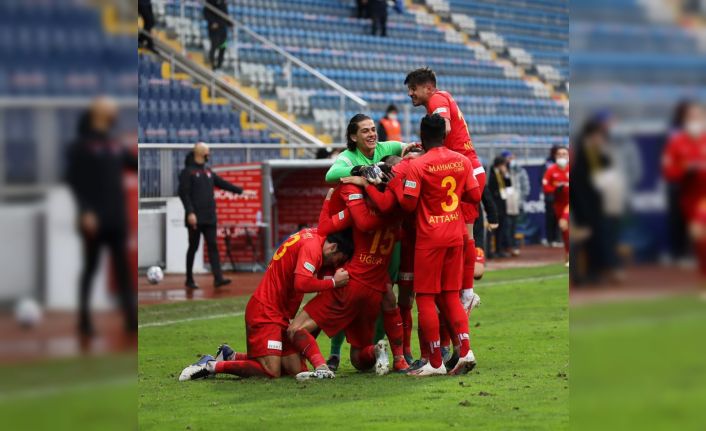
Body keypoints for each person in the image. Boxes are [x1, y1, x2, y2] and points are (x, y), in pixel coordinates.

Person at [178, 229, 354, 380]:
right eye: (339, 259)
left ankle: (230, 355)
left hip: (281, 314)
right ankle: (210, 365)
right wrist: (333, 282)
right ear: (333, 247)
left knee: (295, 370)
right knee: (271, 370)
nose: (336, 264)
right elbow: (301, 283)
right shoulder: (312, 247)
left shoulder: (314, 236)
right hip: (266, 311)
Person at [287, 174, 409, 378]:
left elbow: (324, 228)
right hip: (374, 292)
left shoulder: (359, 213)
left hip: (350, 285)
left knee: (295, 330)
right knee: (359, 359)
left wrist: (328, 202)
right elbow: (399, 235)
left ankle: (321, 367)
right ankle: (385, 353)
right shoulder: (396, 217)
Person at [398, 114, 481, 376]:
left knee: (425, 297)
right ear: (444, 135)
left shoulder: (418, 165)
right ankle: (465, 351)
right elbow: (475, 195)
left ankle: (435, 363)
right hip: (456, 235)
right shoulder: (462, 160)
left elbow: (409, 204)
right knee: (451, 295)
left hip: (429, 239)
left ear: (422, 137)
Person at [404, 67, 485, 316]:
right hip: (467, 169)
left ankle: (466, 293)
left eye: (413, 89)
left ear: (428, 88)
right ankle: (459, 291)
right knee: (459, 233)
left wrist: (425, 154)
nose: (410, 94)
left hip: (464, 170)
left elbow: (445, 128)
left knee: (465, 235)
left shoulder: (437, 99)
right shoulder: (444, 97)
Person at [66, 96, 138, 337]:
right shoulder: (81, 145)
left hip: (116, 216)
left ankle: (131, 318)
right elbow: (74, 182)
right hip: (94, 218)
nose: (115, 112)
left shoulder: (114, 143)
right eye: (111, 108)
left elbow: (133, 163)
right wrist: (85, 211)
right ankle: (84, 319)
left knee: (122, 269)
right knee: (91, 267)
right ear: (98, 112)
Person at [178, 142, 252, 290]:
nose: (209, 154)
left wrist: (241, 191)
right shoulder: (188, 172)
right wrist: (190, 212)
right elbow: (184, 194)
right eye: (207, 152)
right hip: (195, 217)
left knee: (213, 245)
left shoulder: (208, 171)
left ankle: (218, 278)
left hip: (209, 216)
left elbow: (223, 184)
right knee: (193, 247)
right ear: (200, 153)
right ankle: (189, 279)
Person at [325, 114, 410, 183]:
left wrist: (413, 148)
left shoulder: (387, 147)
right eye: (365, 131)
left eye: (373, 130)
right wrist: (361, 169)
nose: (372, 134)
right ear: (354, 137)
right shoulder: (347, 156)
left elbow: (411, 148)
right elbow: (330, 176)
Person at [543, 147, 570, 264]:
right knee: (565, 230)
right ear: (555, 156)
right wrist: (555, 189)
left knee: (565, 223)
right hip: (558, 204)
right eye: (559, 154)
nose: (561, 156)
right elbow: (545, 187)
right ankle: (568, 253)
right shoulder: (550, 170)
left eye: (564, 154)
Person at [502, 150, 530, 256]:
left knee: (513, 226)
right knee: (507, 226)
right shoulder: (503, 171)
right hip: (505, 204)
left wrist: (520, 201)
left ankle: (512, 246)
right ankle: (507, 246)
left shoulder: (520, 171)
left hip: (516, 203)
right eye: (509, 158)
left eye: (512, 158)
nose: (511, 160)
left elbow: (525, 187)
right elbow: (506, 187)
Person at [487, 156, 511, 258]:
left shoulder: (502, 174)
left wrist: (506, 174)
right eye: (503, 165)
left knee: (501, 228)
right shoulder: (491, 174)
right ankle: (489, 251)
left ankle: (499, 250)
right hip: (494, 205)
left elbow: (509, 187)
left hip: (502, 204)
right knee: (492, 229)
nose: (505, 167)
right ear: (499, 165)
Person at [542, 145, 561, 247]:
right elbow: (543, 181)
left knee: (561, 218)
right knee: (550, 218)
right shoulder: (547, 164)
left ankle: (558, 239)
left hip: (562, 197)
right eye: (558, 153)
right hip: (550, 196)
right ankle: (550, 239)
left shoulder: (564, 165)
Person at [203, 0, 230, 71]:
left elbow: (226, 14)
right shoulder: (210, 1)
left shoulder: (223, 2)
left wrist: (230, 23)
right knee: (214, 46)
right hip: (214, 29)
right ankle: (212, 65)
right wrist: (212, 22)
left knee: (223, 47)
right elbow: (206, 13)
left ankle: (219, 66)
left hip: (223, 29)